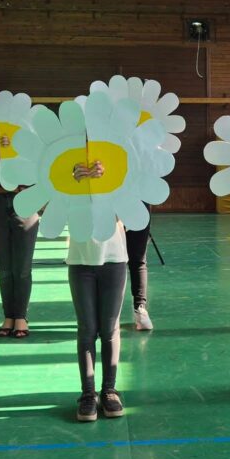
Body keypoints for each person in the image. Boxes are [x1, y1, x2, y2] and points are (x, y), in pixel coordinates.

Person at [67, 159, 128, 422]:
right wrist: (73, 181)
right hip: (80, 260)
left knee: (110, 328)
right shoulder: (67, 167)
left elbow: (126, 211)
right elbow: (56, 208)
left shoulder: (120, 168)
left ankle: (109, 390)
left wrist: (107, 181)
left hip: (114, 259)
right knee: (87, 328)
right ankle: (88, 393)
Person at [0, 131, 38, 338]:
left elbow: (41, 162)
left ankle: (21, 317)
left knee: (22, 267)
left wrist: (17, 148)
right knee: (4, 267)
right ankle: (8, 316)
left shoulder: (28, 132)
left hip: (24, 201)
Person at [125, 214, 153, 331]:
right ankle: (141, 311)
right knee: (138, 261)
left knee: (111, 261)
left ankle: (106, 315)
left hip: (109, 207)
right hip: (138, 209)